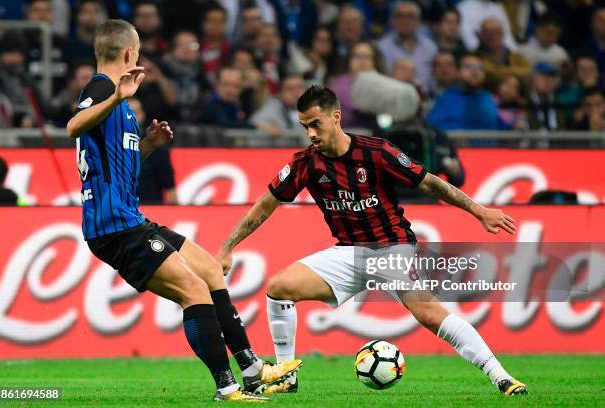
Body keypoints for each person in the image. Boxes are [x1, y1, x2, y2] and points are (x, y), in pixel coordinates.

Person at [216, 85, 527, 396]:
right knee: (279, 288)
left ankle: (501, 377)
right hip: (349, 252)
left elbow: (430, 183)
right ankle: (287, 378)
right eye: (304, 126)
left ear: (335, 117)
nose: (310, 133)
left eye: (315, 124)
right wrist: (228, 247)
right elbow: (265, 205)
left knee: (431, 315)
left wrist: (479, 211)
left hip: (390, 248)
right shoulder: (305, 163)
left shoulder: (376, 152)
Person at [65, 19, 301, 402]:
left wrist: (150, 144)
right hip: (113, 227)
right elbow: (73, 126)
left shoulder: (120, 101)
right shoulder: (105, 89)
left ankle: (254, 369)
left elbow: (120, 167)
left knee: (208, 269)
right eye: (138, 50)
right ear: (128, 53)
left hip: (129, 217)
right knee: (193, 290)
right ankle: (226, 386)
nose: (139, 56)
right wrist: (116, 97)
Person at [426, 53, 501, 131]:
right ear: (457, 72)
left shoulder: (488, 99)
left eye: (479, 68)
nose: (475, 72)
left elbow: (500, 127)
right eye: (468, 67)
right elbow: (433, 126)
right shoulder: (447, 99)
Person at [376, 1, 438, 86]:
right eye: (400, 16)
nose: (405, 21)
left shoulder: (430, 48)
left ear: (419, 21)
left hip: (425, 96)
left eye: (410, 16)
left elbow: (435, 80)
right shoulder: (381, 47)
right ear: (393, 21)